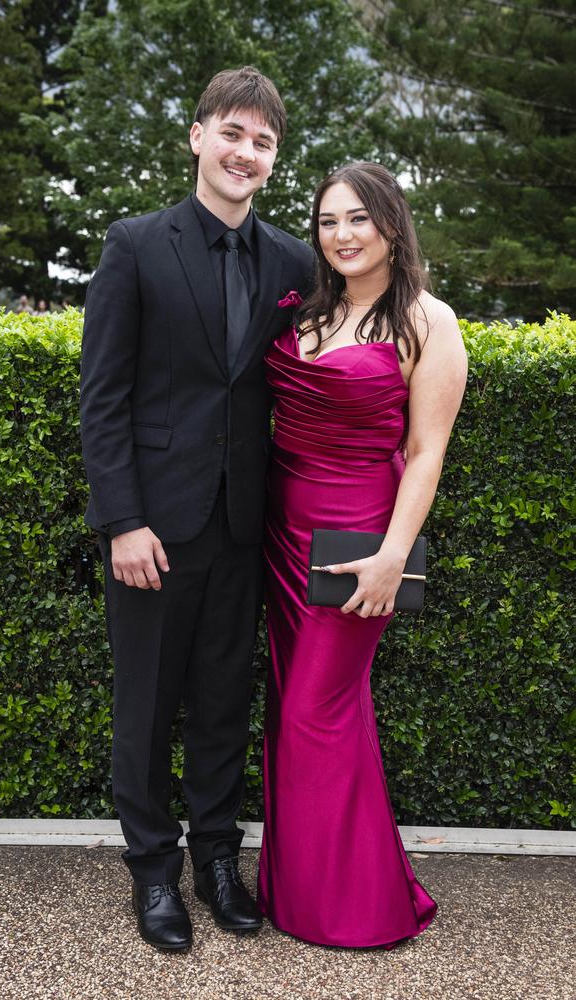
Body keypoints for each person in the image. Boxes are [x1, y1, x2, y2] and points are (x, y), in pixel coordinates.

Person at [79, 66, 315, 952]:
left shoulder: (293, 260)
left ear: (273, 158)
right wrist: (121, 520)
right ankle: (153, 874)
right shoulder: (135, 244)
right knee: (144, 706)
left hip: (247, 527)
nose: (245, 153)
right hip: (154, 529)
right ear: (197, 135)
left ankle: (219, 860)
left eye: (263, 142)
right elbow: (103, 398)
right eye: (233, 133)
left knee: (224, 701)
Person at [257, 162, 467, 949]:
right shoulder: (305, 310)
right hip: (279, 533)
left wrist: (392, 557)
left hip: (356, 542)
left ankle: (351, 907)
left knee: (318, 709)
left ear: (392, 225)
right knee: (294, 706)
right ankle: (299, 893)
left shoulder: (427, 321)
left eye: (359, 219)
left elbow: (425, 452)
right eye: (327, 222)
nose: (342, 235)